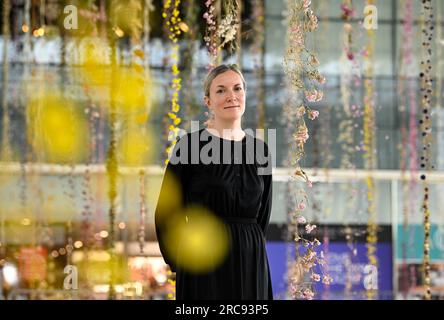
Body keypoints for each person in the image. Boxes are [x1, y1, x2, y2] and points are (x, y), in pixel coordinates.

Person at [155, 64, 273, 300]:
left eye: (237, 88)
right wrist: (180, 260)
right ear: (208, 101)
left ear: (245, 95)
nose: (231, 96)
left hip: (251, 258)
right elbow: (166, 212)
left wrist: (251, 246)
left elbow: (263, 213)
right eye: (221, 90)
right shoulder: (188, 147)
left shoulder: (261, 150)